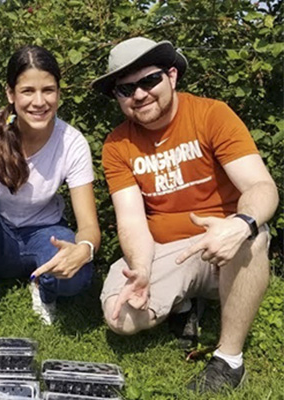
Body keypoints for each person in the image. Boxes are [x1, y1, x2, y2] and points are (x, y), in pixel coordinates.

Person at [91, 37, 278, 393]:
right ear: (118, 97)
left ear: (172, 76)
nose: (139, 95)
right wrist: (142, 269)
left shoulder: (212, 114)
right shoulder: (117, 144)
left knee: (255, 236)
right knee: (121, 316)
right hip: (167, 251)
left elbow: (261, 187)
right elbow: (131, 220)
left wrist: (241, 223)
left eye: (149, 81)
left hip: (223, 249)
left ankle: (229, 360)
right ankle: (184, 304)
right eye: (126, 89)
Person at [0, 45, 101, 339]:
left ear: (59, 93)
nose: (39, 102)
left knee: (79, 279)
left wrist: (84, 250)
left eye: (48, 90)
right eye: (28, 91)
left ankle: (44, 286)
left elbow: (89, 224)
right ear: (11, 94)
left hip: (44, 236)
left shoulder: (72, 142)